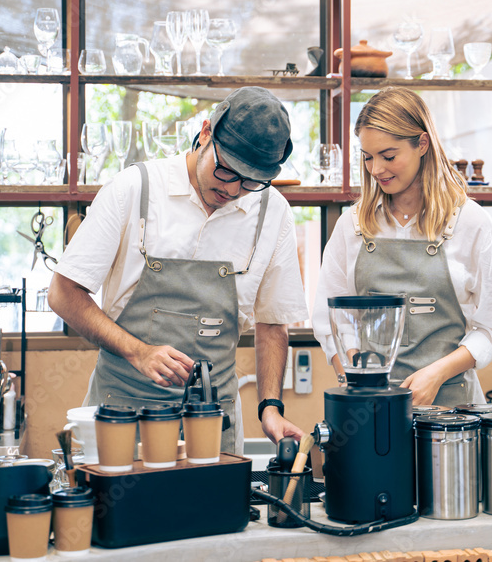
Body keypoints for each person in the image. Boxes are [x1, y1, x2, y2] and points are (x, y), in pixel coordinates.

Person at [49, 87, 309, 451]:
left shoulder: (273, 212)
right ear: (205, 133)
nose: (234, 191)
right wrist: (138, 351)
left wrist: (270, 407)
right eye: (227, 171)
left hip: (213, 427)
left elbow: (271, 324)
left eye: (251, 183)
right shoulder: (135, 189)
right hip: (122, 420)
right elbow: (63, 293)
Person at [311, 87, 492, 407]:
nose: (376, 169)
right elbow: (329, 319)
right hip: (369, 409)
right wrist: (351, 373)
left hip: (453, 417)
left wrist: (437, 373)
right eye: (367, 157)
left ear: (422, 144)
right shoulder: (351, 225)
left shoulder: (472, 225)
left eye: (388, 156)